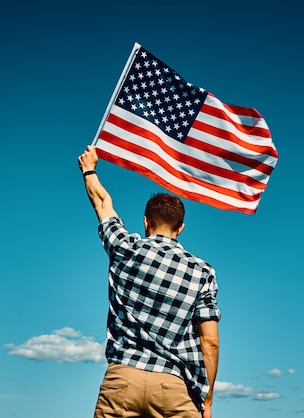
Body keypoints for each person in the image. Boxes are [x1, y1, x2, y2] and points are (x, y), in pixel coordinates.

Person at [78, 146, 221, 418]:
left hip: (121, 382)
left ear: (146, 222)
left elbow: (102, 203)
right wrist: (207, 399)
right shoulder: (202, 271)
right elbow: (210, 341)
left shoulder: (125, 248)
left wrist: (89, 169)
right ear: (180, 228)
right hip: (174, 386)